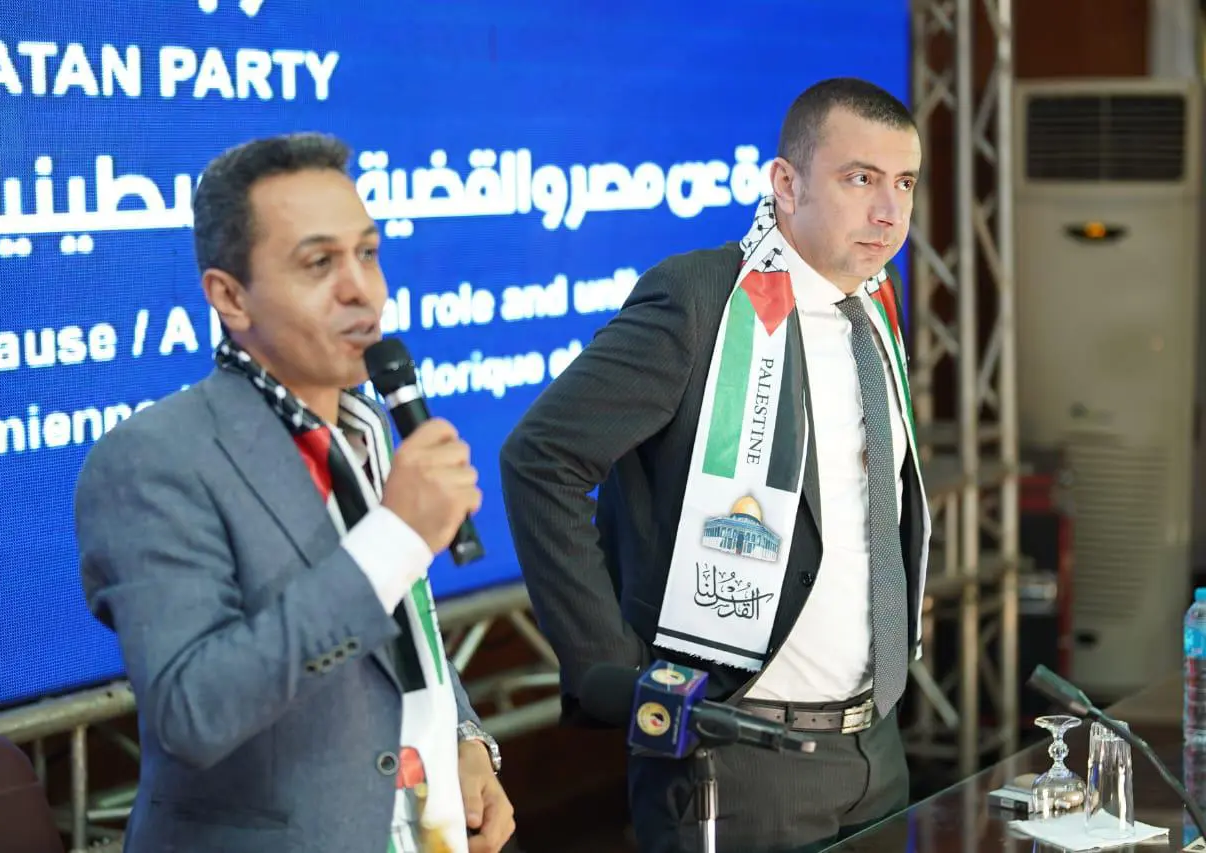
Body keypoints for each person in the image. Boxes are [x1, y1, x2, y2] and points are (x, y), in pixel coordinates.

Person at [500, 77, 930, 853]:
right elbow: (540, 458)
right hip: (737, 755)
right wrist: (610, 668)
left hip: (877, 743)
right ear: (785, 184)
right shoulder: (700, 301)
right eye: (860, 178)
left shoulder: (877, 301)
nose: (888, 211)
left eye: (904, 183)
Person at [75, 133, 515, 853]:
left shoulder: (368, 425)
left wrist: (461, 736)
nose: (361, 289)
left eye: (367, 253)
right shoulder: (153, 460)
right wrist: (396, 536)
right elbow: (192, 711)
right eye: (319, 263)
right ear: (230, 296)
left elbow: (397, 627)